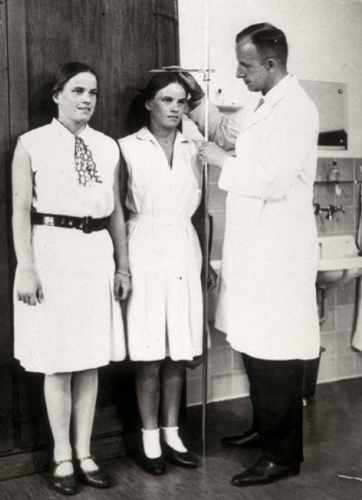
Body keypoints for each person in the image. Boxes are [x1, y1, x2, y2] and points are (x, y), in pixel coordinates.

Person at [180, 23, 320, 487]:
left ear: (271, 64)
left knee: (276, 351)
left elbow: (272, 181)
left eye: (245, 64)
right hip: (256, 250)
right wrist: (195, 95)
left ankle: (284, 454)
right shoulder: (262, 106)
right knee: (255, 346)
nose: (238, 72)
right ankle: (265, 428)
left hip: (280, 253)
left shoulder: (296, 110)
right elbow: (222, 129)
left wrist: (221, 162)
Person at [12, 61, 131, 496]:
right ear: (57, 95)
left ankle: (85, 452)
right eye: (78, 91)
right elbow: (19, 211)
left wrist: (123, 265)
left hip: (95, 253)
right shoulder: (32, 144)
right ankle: (62, 454)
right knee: (58, 360)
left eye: (93, 93)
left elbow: (116, 209)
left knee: (89, 359)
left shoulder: (107, 147)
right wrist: (26, 267)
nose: (87, 100)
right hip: (51, 252)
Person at [118, 72, 216, 475]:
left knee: (179, 350)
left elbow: (203, 211)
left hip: (183, 247)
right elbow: (116, 213)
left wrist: (206, 258)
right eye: (167, 100)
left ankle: (173, 434)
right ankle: (148, 438)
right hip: (143, 245)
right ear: (149, 104)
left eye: (181, 102)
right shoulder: (126, 147)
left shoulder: (196, 148)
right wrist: (121, 265)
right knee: (149, 353)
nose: (175, 109)